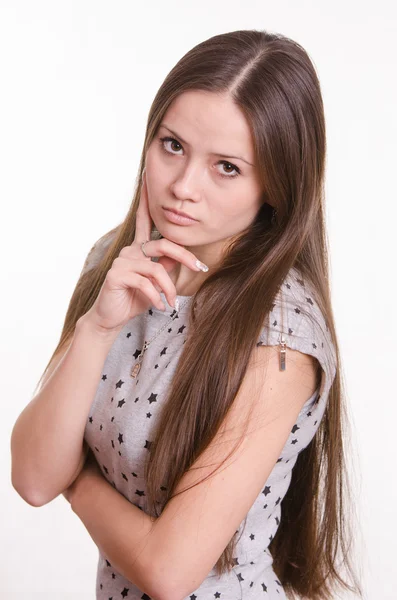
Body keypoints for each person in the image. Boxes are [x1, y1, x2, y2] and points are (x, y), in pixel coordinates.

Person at [11, 29, 363, 600]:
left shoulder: (280, 338)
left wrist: (76, 481)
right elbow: (30, 476)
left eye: (226, 167)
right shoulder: (118, 262)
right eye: (172, 145)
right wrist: (97, 328)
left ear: (277, 184)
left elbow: (169, 572)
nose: (181, 187)